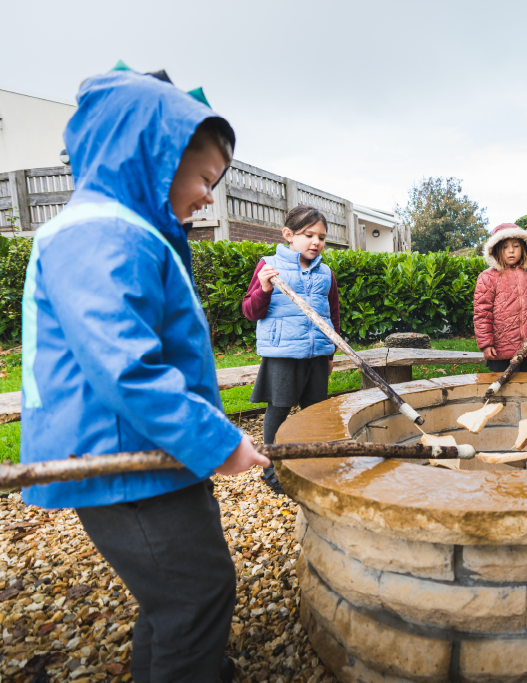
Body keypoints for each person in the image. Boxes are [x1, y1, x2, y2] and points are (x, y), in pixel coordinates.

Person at [19, 67, 269, 683]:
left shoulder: (123, 229)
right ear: (152, 157)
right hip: (124, 456)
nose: (210, 195)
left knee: (174, 594)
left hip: (145, 452)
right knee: (196, 594)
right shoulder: (103, 233)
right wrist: (219, 441)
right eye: (206, 178)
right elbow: (125, 367)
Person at [242, 206, 340, 494]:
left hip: (318, 354)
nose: (316, 242)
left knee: (314, 411)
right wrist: (263, 288)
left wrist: (330, 352)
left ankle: (310, 464)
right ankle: (271, 468)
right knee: (279, 409)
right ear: (288, 235)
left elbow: (332, 314)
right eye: (308, 235)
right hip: (283, 354)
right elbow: (250, 311)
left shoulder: (326, 273)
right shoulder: (269, 266)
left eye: (321, 237)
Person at [473, 223, 527, 372]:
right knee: (501, 389)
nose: (510, 251)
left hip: (525, 347)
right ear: (496, 249)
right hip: (499, 348)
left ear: (524, 247)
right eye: (505, 247)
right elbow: (482, 314)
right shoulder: (487, 277)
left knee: (523, 386)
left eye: (516, 246)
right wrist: (486, 343)